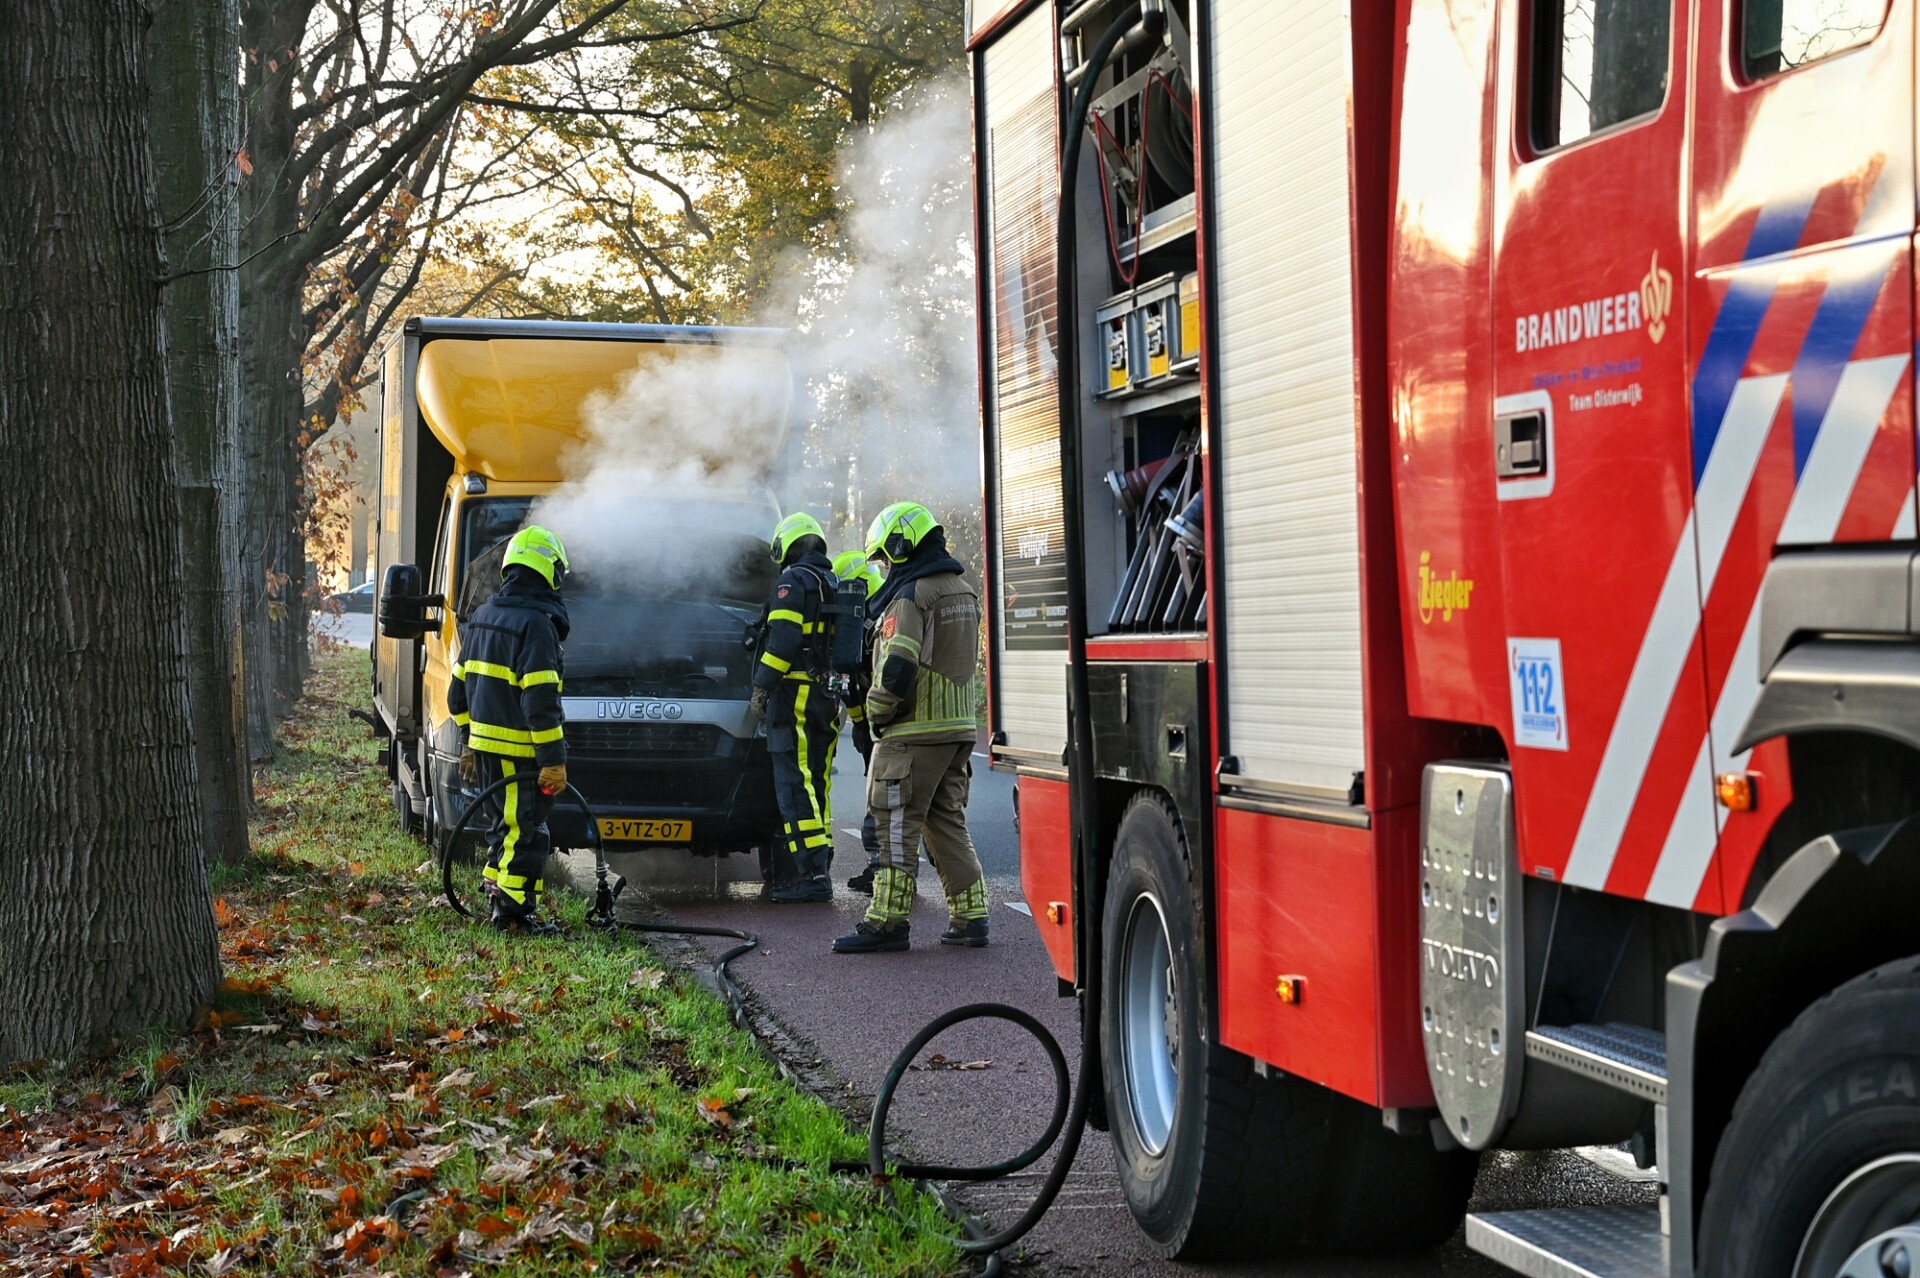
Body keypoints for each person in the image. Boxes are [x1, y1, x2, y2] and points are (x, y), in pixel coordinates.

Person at [834, 502, 989, 954]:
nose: (884, 568)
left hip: (913, 730)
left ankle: (887, 923)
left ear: (901, 546)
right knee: (945, 823)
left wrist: (876, 711)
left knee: (894, 826)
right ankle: (971, 916)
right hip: (958, 728)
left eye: (885, 557)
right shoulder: (962, 589)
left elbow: (898, 665)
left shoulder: (911, 596)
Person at [447, 525, 571, 934]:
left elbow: (456, 696)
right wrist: (553, 762)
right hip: (520, 756)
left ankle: (498, 897)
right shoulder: (536, 625)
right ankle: (513, 916)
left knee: (503, 827)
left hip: (485, 755)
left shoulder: (482, 617)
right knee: (526, 832)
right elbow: (540, 702)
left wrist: (469, 743)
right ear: (549, 571)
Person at [752, 512, 841, 903]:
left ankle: (809, 873)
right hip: (825, 694)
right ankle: (819, 863)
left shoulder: (793, 580)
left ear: (786, 545)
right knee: (817, 780)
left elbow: (784, 640)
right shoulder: (831, 581)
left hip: (795, 696)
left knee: (795, 781)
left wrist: (761, 687)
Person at [830, 548, 886, 893]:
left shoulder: (865, 618)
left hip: (885, 724)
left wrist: (862, 725)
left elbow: (852, 680)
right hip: (897, 721)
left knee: (881, 803)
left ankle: (882, 872)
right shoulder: (893, 603)